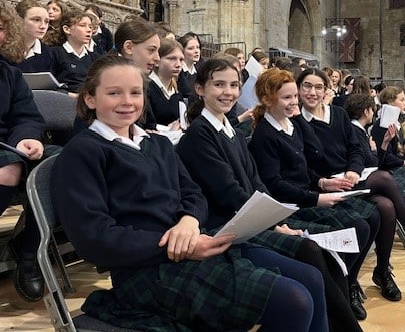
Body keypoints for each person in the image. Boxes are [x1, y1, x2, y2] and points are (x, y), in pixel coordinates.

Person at [51, 55, 328, 332]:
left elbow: (193, 194)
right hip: (146, 268)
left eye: (135, 92)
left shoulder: (156, 143)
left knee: (311, 278)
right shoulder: (83, 152)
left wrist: (189, 221)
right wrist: (177, 246)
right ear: (89, 99)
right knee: (294, 300)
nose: (127, 101)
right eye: (114, 93)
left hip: (195, 241)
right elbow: (94, 238)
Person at [176, 57, 361, 331]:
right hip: (226, 228)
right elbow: (230, 193)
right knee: (308, 261)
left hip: (251, 221)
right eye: (219, 85)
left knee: (318, 266)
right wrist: (274, 224)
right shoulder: (198, 135)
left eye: (234, 85)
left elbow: (256, 182)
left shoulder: (232, 133)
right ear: (200, 89)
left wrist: (277, 219)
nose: (228, 92)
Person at [295, 68, 405, 307]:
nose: (312, 92)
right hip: (327, 184)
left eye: (318, 87)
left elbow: (355, 148)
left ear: (326, 90)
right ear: (299, 89)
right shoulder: (297, 122)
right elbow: (303, 163)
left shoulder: (337, 114)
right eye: (307, 86)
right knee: (384, 180)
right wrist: (325, 180)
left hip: (352, 177)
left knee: (386, 206)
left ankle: (380, 271)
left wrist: (354, 170)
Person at [248, 67, 378, 320]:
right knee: (356, 227)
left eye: (295, 97)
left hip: (306, 194)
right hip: (290, 205)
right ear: (268, 99)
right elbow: (275, 184)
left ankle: (342, 284)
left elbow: (308, 160)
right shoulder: (264, 135)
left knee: (364, 223)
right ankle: (339, 291)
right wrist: (317, 196)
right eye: (287, 98)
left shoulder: (290, 125)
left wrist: (321, 184)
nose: (294, 102)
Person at [0, 0, 59, 302]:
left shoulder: (8, 74)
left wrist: (28, 138)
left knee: (67, 162)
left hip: (9, 145)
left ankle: (28, 247)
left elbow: (25, 116)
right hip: (5, 157)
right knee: (8, 168)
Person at [50, 8, 101, 93]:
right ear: (67, 29)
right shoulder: (53, 53)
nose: (89, 30)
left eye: (90, 26)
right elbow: (49, 84)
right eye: (82, 25)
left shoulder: (96, 58)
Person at [146, 38, 185, 129]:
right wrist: (168, 129)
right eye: (172, 59)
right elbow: (147, 124)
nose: (178, 64)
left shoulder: (176, 92)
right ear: (157, 60)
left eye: (181, 60)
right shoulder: (147, 88)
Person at [14, 0, 54, 73]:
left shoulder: (46, 52)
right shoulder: (4, 47)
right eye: (36, 20)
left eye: (46, 21)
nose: (43, 26)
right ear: (19, 20)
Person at [177, 32, 201, 98]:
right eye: (191, 48)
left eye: (198, 47)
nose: (196, 51)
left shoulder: (199, 71)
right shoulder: (177, 71)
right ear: (182, 51)